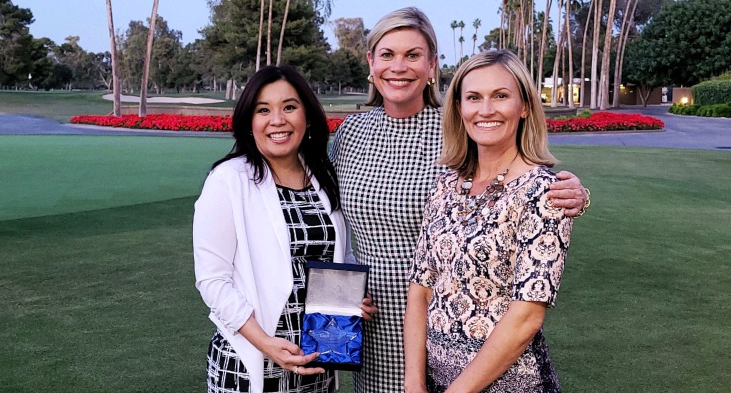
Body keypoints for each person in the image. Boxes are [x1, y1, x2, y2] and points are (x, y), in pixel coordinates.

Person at [329, 7, 589, 392]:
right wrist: (338, 286)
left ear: (432, 65)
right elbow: (323, 212)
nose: (398, 66)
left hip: (458, 341)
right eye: (387, 54)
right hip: (373, 321)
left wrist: (576, 195)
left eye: (413, 55)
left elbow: (515, 179)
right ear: (370, 62)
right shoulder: (352, 131)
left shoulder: (456, 128)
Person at [193, 65, 377, 393]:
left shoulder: (324, 177)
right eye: (263, 110)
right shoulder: (229, 180)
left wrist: (351, 297)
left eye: (289, 107)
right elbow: (212, 280)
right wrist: (265, 343)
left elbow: (338, 253)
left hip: (318, 360)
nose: (277, 120)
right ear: (250, 122)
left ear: (306, 116)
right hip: (251, 361)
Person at [404, 50, 573, 393]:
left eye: (500, 96)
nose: (485, 110)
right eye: (473, 97)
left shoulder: (543, 192)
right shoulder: (446, 186)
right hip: (437, 382)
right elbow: (420, 287)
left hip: (510, 385)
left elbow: (526, 315)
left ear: (524, 106)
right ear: (459, 109)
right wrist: (413, 382)